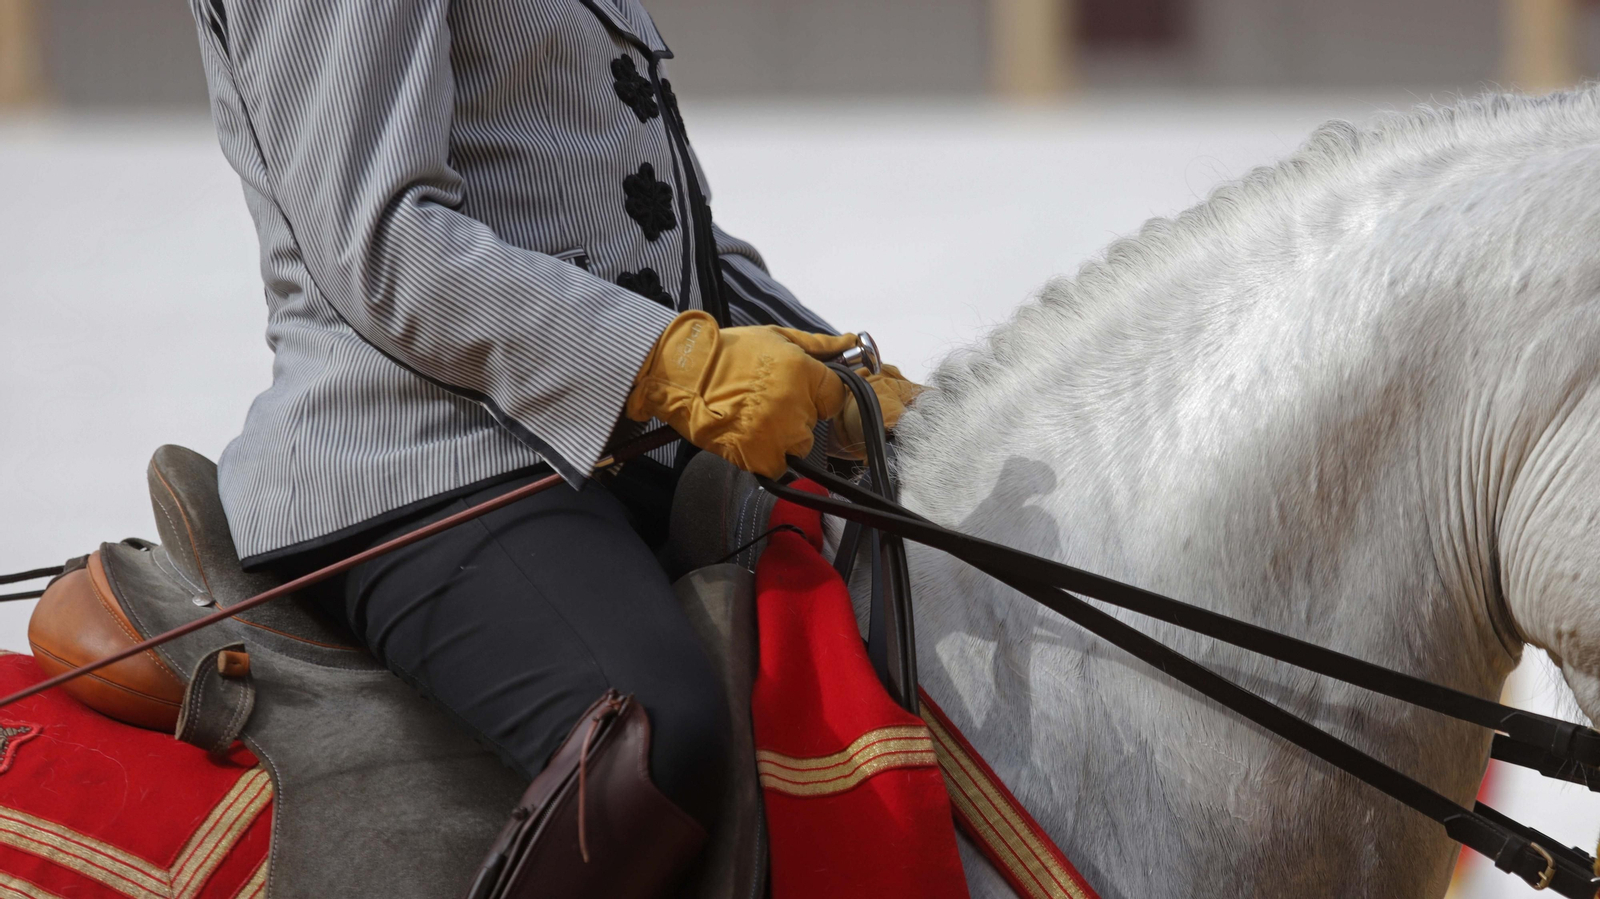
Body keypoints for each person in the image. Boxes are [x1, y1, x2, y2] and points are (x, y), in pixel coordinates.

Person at [182, 0, 919, 890]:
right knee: (656, 727)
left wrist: (843, 381)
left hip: (612, 441)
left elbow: (648, 232)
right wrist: (665, 364)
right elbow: (382, 245)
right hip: (418, 451)